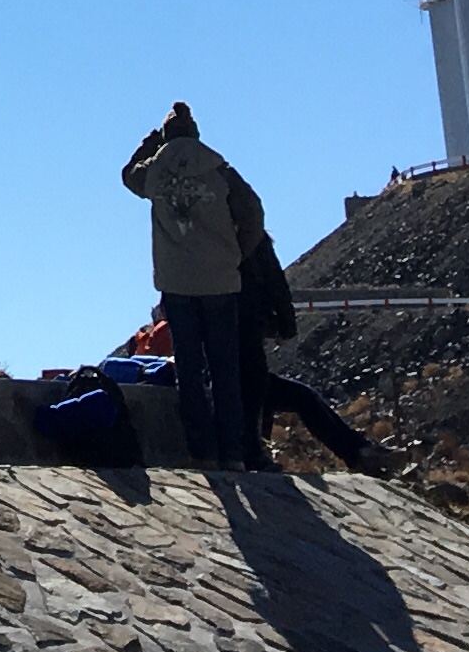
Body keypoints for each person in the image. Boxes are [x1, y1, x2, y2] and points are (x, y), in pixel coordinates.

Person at [121, 100, 263, 469]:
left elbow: (127, 174)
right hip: (220, 279)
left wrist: (150, 143)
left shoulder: (154, 174)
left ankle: (202, 452)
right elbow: (253, 213)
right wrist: (237, 255)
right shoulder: (220, 170)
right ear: (196, 134)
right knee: (224, 368)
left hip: (177, 282)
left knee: (189, 368)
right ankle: (233, 452)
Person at [237, 216, 374, 471]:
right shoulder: (250, 236)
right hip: (244, 332)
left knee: (271, 391)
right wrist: (285, 324)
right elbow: (275, 283)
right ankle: (357, 452)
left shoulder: (199, 242)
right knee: (264, 390)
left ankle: (357, 451)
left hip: (213, 345)